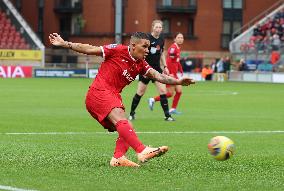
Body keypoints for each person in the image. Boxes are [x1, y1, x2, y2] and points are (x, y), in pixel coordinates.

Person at [49, 32, 195, 167]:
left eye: (148, 47)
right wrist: (65, 43)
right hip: (99, 92)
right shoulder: (118, 50)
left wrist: (178, 81)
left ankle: (118, 158)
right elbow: (89, 49)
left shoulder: (141, 64)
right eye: (144, 46)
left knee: (126, 126)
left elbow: (158, 76)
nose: (147, 51)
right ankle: (142, 150)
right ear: (133, 45)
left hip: (111, 96)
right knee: (121, 120)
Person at [128, 20, 174, 121]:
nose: (158, 29)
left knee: (163, 91)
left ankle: (167, 116)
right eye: (156, 27)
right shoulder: (147, 38)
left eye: (160, 27)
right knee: (140, 92)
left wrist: (165, 66)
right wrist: (142, 67)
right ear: (152, 27)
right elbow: (141, 52)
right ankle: (131, 113)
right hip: (145, 69)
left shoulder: (162, 39)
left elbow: (162, 53)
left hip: (157, 69)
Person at [148, 32, 185, 115]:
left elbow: (177, 61)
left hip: (175, 74)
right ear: (175, 39)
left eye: (182, 38)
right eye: (179, 37)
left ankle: (172, 109)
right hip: (171, 74)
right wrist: (170, 73)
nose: (180, 39)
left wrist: (181, 70)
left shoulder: (178, 48)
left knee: (179, 91)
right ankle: (153, 99)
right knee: (170, 93)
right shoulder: (173, 48)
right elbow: (169, 61)